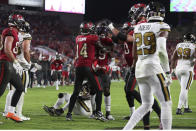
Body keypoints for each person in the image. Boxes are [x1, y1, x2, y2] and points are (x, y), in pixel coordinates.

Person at [107, 3, 162, 129]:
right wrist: (111, 34)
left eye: (133, 13)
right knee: (144, 96)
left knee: (131, 90)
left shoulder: (142, 25)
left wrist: (111, 27)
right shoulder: (136, 25)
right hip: (136, 65)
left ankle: (156, 112)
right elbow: (121, 39)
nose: (132, 16)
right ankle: (147, 124)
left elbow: (127, 38)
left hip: (141, 65)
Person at [123, 2, 172, 130]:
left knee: (146, 105)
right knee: (166, 102)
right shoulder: (162, 26)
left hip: (140, 69)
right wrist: (167, 72)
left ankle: (126, 129)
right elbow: (161, 51)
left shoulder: (138, 27)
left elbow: (134, 53)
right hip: (153, 68)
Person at [65, 22, 105, 121]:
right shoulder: (93, 38)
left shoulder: (78, 38)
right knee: (99, 89)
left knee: (76, 91)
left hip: (78, 67)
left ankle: (69, 114)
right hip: (88, 66)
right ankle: (98, 112)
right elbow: (101, 48)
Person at [3, 21, 32, 121]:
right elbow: (25, 50)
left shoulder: (16, 34)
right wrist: (29, 63)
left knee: (13, 90)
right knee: (20, 90)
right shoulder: (25, 35)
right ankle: (18, 113)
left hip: (13, 63)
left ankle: (8, 112)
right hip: (20, 65)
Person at [0, 14, 25, 122]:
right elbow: (6, 49)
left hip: (9, 64)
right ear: (16, 22)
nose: (22, 24)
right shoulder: (10, 31)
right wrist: (15, 62)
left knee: (20, 87)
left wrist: (15, 61)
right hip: (5, 63)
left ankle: (11, 112)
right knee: (0, 91)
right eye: (20, 22)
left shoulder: (13, 32)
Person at [90, 22, 115, 120]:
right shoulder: (95, 41)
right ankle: (94, 112)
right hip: (95, 69)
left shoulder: (107, 41)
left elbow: (111, 55)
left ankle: (107, 113)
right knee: (94, 91)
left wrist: (109, 66)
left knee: (106, 91)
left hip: (103, 69)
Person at [171, 33, 196, 115]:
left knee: (184, 89)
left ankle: (186, 107)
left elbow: (173, 58)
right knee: (184, 89)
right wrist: (193, 61)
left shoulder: (179, 45)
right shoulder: (193, 46)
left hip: (178, 69)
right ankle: (179, 108)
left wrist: (173, 69)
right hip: (187, 69)